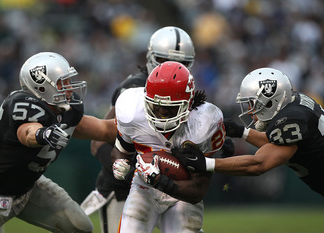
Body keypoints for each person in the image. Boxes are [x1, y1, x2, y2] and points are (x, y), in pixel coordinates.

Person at [0, 52, 117, 233]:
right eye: (62, 83)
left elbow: (104, 130)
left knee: (80, 227)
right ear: (41, 86)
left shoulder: (65, 109)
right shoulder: (22, 104)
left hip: (29, 188)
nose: (69, 87)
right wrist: (43, 134)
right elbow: (26, 132)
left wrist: (141, 125)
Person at [81, 26, 196, 233]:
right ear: (151, 58)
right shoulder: (134, 89)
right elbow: (98, 144)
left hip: (167, 187)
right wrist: (135, 171)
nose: (173, 67)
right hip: (124, 189)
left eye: (182, 63)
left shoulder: (187, 90)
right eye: (164, 60)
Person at [111, 61, 226, 232]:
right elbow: (121, 150)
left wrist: (161, 181)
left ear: (188, 104)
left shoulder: (204, 122)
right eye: (156, 107)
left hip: (183, 192)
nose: (161, 114)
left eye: (169, 108)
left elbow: (198, 190)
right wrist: (119, 164)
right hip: (144, 187)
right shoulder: (131, 110)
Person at [175, 67, 324, 197]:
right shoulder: (293, 104)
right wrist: (240, 132)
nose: (250, 110)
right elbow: (274, 144)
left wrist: (205, 163)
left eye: (253, 103)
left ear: (271, 101)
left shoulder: (292, 120)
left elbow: (258, 164)